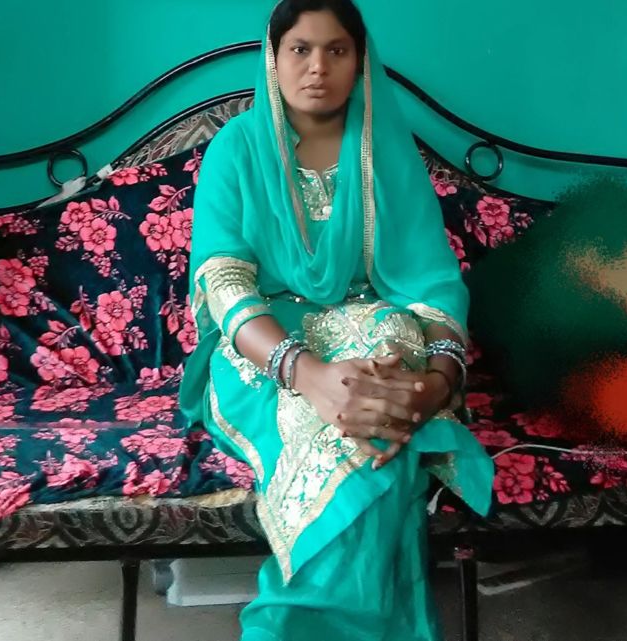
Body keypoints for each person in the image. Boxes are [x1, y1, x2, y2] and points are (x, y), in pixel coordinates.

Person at [179, 1, 494, 639]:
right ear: (273, 58)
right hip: (264, 342)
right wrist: (310, 375)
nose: (318, 67)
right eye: (300, 49)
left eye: (337, 50)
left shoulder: (386, 152)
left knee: (383, 369)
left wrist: (433, 386)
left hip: (377, 333)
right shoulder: (237, 149)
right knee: (348, 425)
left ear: (360, 61)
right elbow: (225, 283)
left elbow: (431, 285)